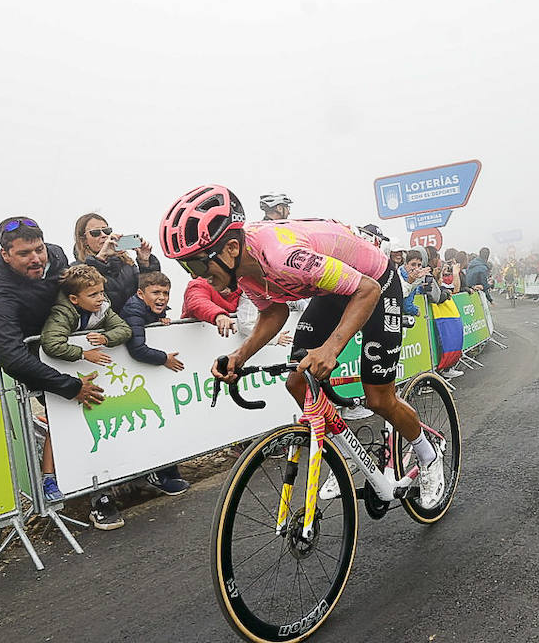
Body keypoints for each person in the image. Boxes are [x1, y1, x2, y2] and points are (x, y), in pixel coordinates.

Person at [159, 185, 448, 505]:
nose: (196, 277)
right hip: (335, 289)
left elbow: (365, 290)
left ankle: (428, 454)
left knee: (379, 399)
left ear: (229, 248)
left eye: (198, 266)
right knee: (297, 382)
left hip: (375, 285)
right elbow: (274, 311)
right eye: (187, 267)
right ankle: (354, 454)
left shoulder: (283, 257)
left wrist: (331, 348)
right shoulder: (243, 269)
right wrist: (239, 356)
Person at [0, 217, 105, 515]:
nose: (36, 259)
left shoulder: (57, 255)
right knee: (62, 423)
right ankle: (57, 484)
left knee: (102, 415)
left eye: (38, 249)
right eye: (24, 254)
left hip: (80, 351)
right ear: (5, 254)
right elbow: (10, 356)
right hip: (39, 363)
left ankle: (112, 479)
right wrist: (70, 387)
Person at [118, 271, 191, 497]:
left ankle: (169, 470)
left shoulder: (148, 310)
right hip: (132, 383)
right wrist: (164, 358)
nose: (162, 298)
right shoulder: (133, 309)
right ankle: (155, 476)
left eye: (166, 293)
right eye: (156, 292)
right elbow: (137, 349)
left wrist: (159, 321)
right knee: (148, 425)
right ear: (141, 293)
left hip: (151, 381)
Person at [39, 264, 131, 365]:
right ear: (74, 299)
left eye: (101, 292)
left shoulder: (103, 308)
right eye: (93, 295)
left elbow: (125, 329)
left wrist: (106, 338)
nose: (101, 298)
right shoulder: (62, 314)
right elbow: (52, 344)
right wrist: (83, 354)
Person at [72, 212, 161, 313]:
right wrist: (100, 259)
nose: (103, 235)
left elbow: (150, 290)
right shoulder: (76, 269)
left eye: (107, 231)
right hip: (107, 326)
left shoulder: (126, 263)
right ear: (84, 240)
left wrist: (145, 262)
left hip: (134, 320)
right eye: (95, 233)